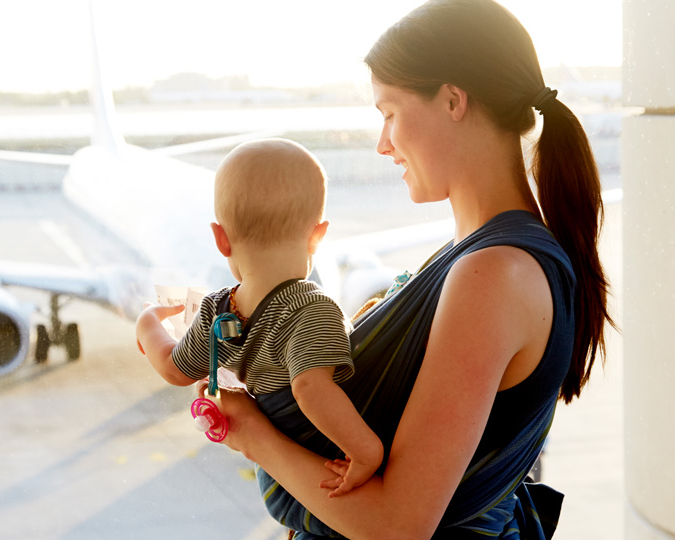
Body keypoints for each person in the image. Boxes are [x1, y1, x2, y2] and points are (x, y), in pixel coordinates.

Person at [197, 1, 614, 538]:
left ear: (452, 100)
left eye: (390, 112)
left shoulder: (493, 273)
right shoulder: (481, 255)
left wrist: (250, 431)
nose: (383, 143)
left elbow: (398, 525)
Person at [135, 138, 384, 499]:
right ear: (318, 236)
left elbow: (175, 369)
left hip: (277, 476)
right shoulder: (314, 308)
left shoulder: (216, 310)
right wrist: (365, 452)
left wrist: (147, 325)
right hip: (315, 466)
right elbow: (310, 387)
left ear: (221, 239)